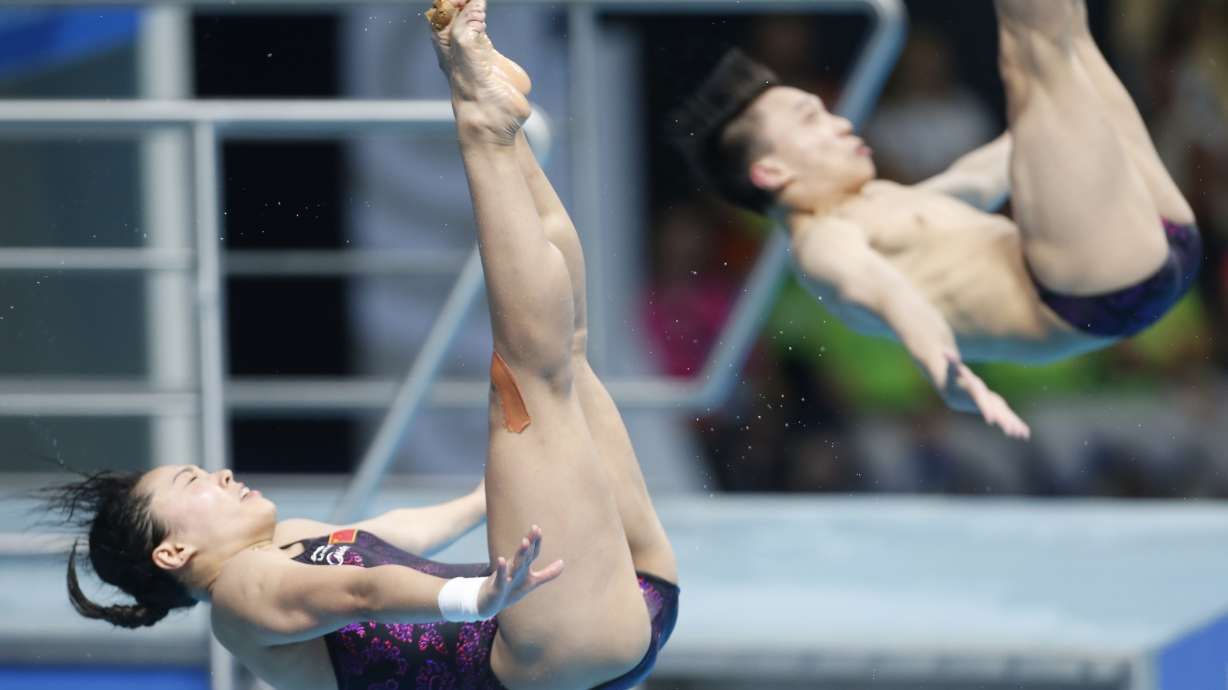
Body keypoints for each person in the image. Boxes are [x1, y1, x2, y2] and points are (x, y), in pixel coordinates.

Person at [44, 2, 679, 688]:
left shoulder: (287, 541)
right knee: (531, 376)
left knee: (564, 356)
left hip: (596, 612)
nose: (221, 475)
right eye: (194, 483)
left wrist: (488, 498)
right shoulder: (240, 597)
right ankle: (481, 121)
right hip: (551, 643)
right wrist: (475, 597)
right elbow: (361, 592)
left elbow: (395, 537)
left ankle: (489, 106)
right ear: (173, 553)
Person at [671, 0, 1202, 439]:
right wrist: (948, 375)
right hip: (1095, 292)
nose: (841, 123)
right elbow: (893, 296)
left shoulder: (885, 203)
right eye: (813, 121)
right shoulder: (823, 243)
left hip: (1152, 243)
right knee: (1035, 58)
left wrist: (1054, 128)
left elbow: (980, 177)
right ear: (772, 170)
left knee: (1067, 39)